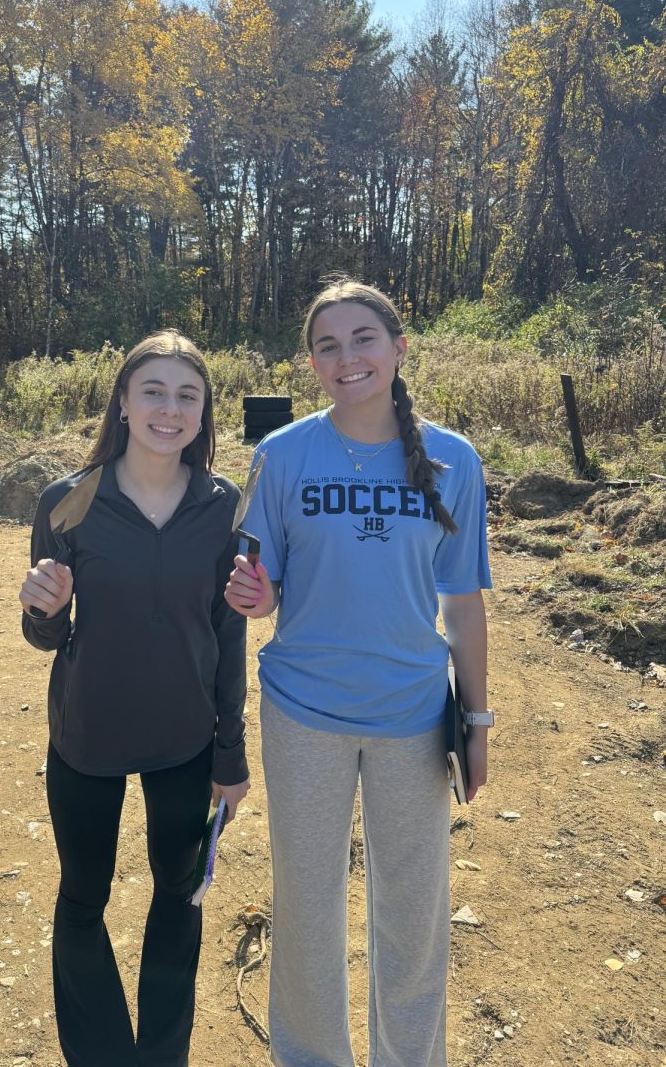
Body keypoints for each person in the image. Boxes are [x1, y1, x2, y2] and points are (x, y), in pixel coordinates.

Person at [225, 280, 492, 1067]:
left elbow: (465, 604)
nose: (348, 358)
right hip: (303, 713)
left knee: (412, 914)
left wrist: (477, 723)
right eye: (329, 345)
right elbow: (262, 590)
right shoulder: (280, 456)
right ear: (312, 362)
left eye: (364, 339)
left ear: (399, 349)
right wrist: (255, 593)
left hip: (413, 714)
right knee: (307, 907)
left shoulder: (453, 459)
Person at [20, 331, 250, 1067]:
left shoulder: (223, 505)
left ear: (204, 409)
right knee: (83, 900)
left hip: (185, 739)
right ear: (122, 401)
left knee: (178, 899)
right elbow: (47, 637)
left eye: (187, 394)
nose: (169, 408)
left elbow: (229, 632)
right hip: (87, 736)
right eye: (152, 390)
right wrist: (43, 610)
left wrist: (231, 751)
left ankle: (160, 1056)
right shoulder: (68, 501)